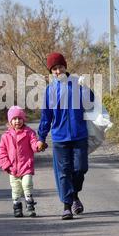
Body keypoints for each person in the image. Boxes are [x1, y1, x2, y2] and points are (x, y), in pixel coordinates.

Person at [38, 52, 94, 220]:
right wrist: (41, 137)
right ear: (51, 71)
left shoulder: (77, 84)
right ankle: (67, 206)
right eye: (54, 69)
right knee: (63, 172)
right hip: (60, 137)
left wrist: (86, 88)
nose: (57, 71)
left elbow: (91, 104)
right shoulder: (50, 90)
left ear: (65, 67)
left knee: (80, 168)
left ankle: (75, 195)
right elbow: (46, 116)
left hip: (79, 135)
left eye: (60, 67)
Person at [0, 106, 43, 217]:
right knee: (16, 188)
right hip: (12, 168)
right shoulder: (5, 136)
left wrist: (38, 146)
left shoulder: (29, 133)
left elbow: (33, 144)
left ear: (24, 119)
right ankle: (17, 206)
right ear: (10, 121)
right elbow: (1, 152)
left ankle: (29, 203)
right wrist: (6, 165)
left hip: (26, 165)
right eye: (14, 119)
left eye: (20, 118)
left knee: (27, 184)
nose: (17, 121)